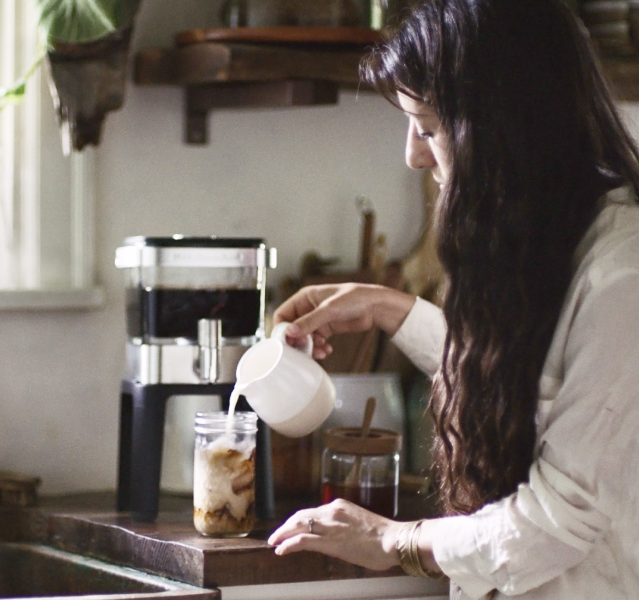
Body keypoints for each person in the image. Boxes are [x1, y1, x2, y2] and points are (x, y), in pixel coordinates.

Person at [265, 0, 639, 598]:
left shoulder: (624, 274)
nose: (412, 154)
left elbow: (559, 517)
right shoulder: (553, 234)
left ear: (507, 127)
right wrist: (391, 311)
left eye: (430, 127)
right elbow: (540, 382)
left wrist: (395, 542)